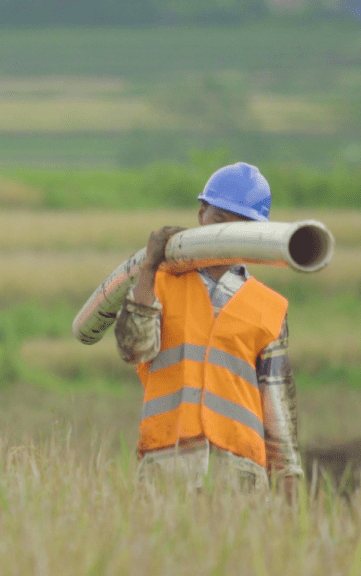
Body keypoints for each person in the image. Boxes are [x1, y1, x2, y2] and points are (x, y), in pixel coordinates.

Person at [115, 162, 303, 497]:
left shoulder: (269, 308)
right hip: (168, 465)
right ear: (201, 215)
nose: (227, 234)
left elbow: (276, 403)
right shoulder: (159, 285)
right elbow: (133, 349)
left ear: (258, 232)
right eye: (220, 220)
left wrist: (288, 480)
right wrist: (148, 268)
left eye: (242, 225)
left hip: (239, 474)